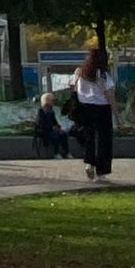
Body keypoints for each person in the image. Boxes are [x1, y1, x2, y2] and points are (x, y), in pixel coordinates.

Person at [74, 44, 116, 183]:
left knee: (89, 137)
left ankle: (89, 163)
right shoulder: (102, 74)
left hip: (84, 107)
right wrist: (116, 113)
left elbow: (74, 87)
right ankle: (101, 172)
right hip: (102, 108)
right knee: (104, 140)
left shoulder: (81, 72)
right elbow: (109, 94)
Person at [31, 91, 70, 158]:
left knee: (63, 134)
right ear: (47, 101)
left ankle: (66, 152)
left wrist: (58, 127)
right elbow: (41, 124)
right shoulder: (41, 111)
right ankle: (56, 153)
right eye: (52, 101)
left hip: (50, 130)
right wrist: (52, 128)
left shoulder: (51, 111)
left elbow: (55, 122)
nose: (53, 102)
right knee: (55, 135)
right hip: (44, 131)